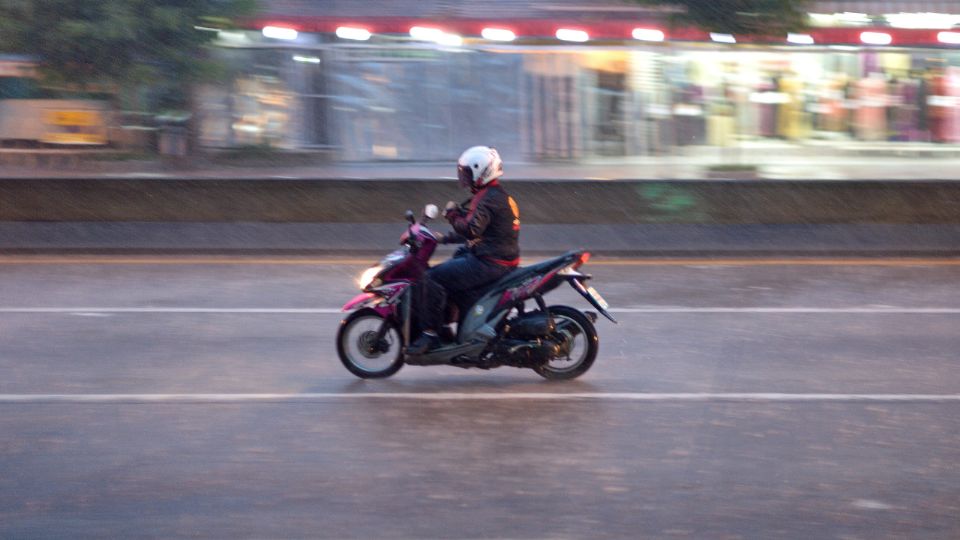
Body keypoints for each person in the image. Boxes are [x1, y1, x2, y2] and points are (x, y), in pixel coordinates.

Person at [406, 146, 521, 355]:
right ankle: (458, 327)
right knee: (457, 259)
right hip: (496, 258)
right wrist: (444, 238)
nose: (464, 178)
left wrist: (451, 215)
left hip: (491, 263)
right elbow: (481, 232)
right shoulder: (494, 194)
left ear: (481, 171)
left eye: (467, 172)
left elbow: (470, 229)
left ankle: (430, 334)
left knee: (431, 278)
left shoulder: (488, 198)